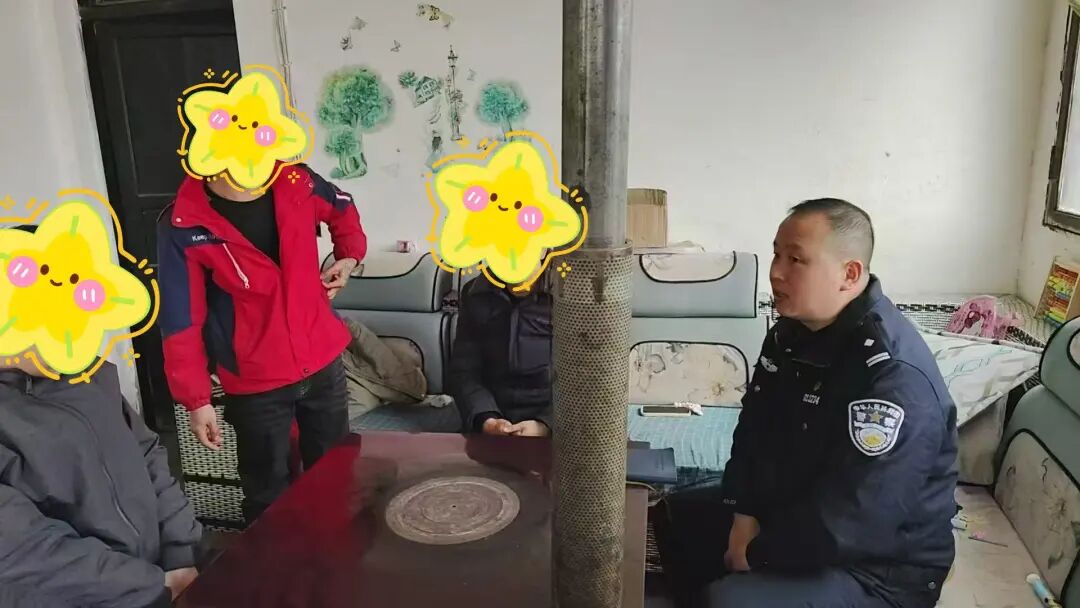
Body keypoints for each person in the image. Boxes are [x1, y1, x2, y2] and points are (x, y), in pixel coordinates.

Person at [655, 199, 958, 608]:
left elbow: (857, 521)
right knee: (676, 515)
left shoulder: (891, 377)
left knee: (731, 600)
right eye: (776, 254)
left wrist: (757, 553)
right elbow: (754, 431)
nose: (776, 272)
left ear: (849, 274)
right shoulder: (789, 335)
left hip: (878, 569)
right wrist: (743, 512)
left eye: (796, 259)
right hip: (797, 509)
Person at [157, 163, 366, 523]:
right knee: (268, 497)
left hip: (322, 362)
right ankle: (277, 561)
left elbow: (342, 207)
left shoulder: (296, 180)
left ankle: (336, 555)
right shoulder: (183, 220)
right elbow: (180, 319)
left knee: (336, 478)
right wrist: (196, 400)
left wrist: (348, 257)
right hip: (255, 380)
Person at [0, 355, 203, 608]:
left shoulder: (85, 369)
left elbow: (147, 453)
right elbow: (23, 552)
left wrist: (180, 555)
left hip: (166, 580)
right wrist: (152, 587)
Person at [449, 272, 554, 437]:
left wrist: (545, 425)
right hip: (492, 422)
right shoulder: (475, 293)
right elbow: (464, 371)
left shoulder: (572, 295)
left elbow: (589, 380)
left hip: (557, 429)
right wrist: (486, 418)